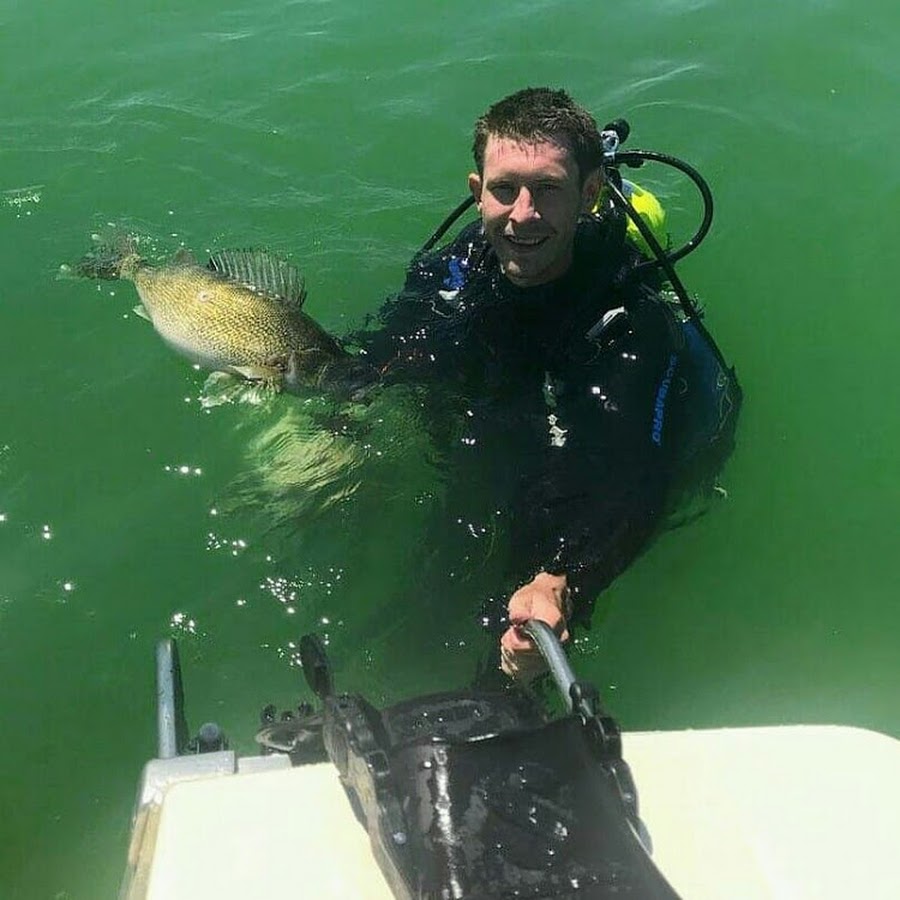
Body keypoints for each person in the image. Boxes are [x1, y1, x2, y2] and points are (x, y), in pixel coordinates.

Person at [356, 87, 738, 681]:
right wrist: (322, 414)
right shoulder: (455, 269)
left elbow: (634, 479)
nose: (524, 214)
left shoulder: (632, 323)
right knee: (419, 599)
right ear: (477, 190)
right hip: (494, 413)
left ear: (589, 196)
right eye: (505, 189)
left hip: (579, 438)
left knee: (514, 624)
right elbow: (382, 355)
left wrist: (560, 579)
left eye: (549, 190)